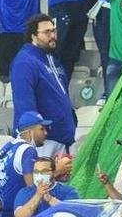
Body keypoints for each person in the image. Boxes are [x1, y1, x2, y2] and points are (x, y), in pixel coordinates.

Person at [10, 15, 76, 148]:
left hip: (62, 138)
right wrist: (33, 139)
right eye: (47, 32)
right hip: (44, 141)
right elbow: (24, 102)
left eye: (54, 31)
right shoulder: (25, 62)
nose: (52, 35)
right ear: (33, 36)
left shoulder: (53, 60)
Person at [13, 157, 79, 217]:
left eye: (44, 171)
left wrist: (50, 199)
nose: (39, 175)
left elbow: (73, 216)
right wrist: (38, 195)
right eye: (36, 172)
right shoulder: (25, 192)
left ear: (54, 172)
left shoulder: (68, 191)